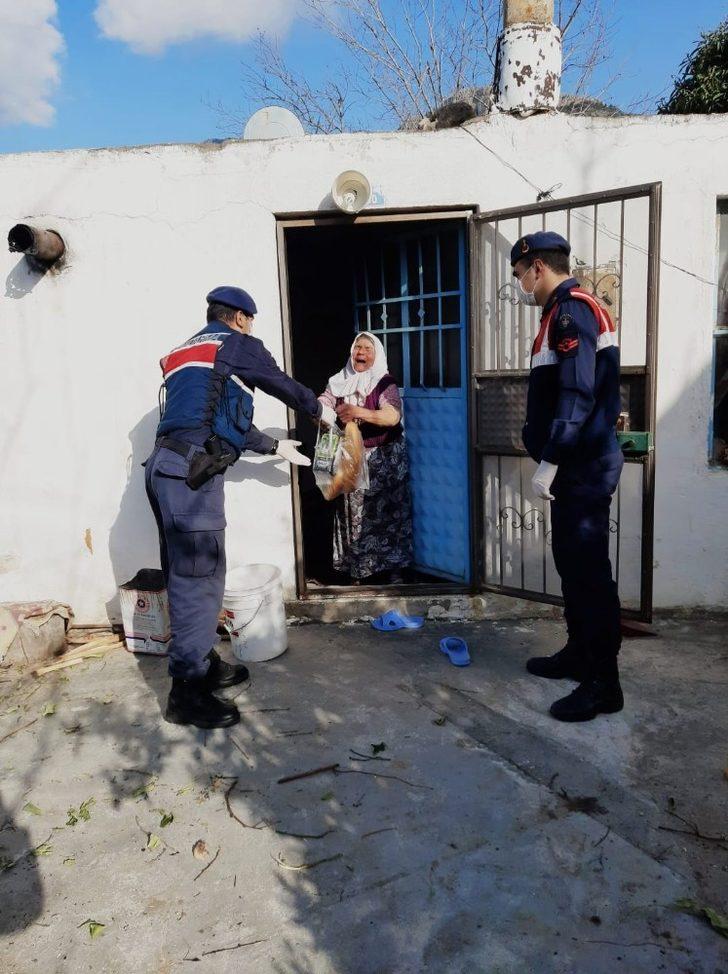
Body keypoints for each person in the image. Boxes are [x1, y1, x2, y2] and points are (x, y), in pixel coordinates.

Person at [145, 286, 336, 729]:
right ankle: (186, 692)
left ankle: (202, 660)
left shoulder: (184, 352)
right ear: (239, 318)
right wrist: (318, 409)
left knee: (185, 573)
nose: (252, 328)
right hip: (193, 475)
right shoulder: (236, 345)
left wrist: (272, 445)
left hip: (166, 469)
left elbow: (217, 419)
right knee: (200, 579)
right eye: (251, 321)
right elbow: (281, 383)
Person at [511, 232, 625, 723]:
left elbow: (577, 392)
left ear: (537, 267)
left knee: (589, 575)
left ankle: (604, 683)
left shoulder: (569, 312)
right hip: (575, 468)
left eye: (519, 275)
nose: (520, 285)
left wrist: (553, 458)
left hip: (580, 467)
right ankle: (581, 653)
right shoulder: (565, 311)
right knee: (572, 568)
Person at [318, 333, 413, 583]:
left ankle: (394, 570)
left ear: (377, 354)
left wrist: (359, 412)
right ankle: (356, 571)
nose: (361, 352)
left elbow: (392, 416)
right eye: (357, 347)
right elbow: (322, 405)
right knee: (354, 514)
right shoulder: (338, 381)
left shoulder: (384, 382)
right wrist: (319, 413)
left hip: (385, 458)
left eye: (367, 348)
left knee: (388, 514)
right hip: (352, 457)